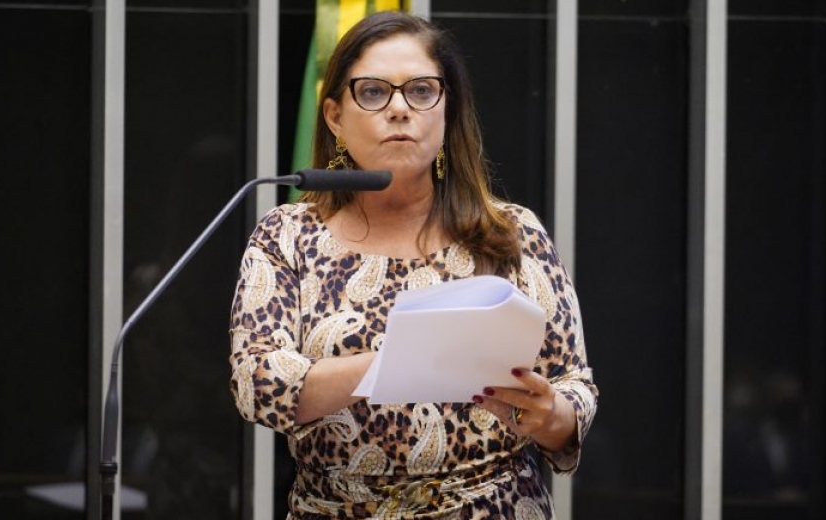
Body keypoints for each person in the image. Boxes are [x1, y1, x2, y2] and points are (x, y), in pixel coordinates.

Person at [229, 11, 597, 519]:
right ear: (335, 116)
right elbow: (257, 384)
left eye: (421, 91)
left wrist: (550, 415)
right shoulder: (287, 235)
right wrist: (398, 361)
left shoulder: (512, 233)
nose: (400, 109)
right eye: (373, 92)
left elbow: (574, 388)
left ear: (447, 110)